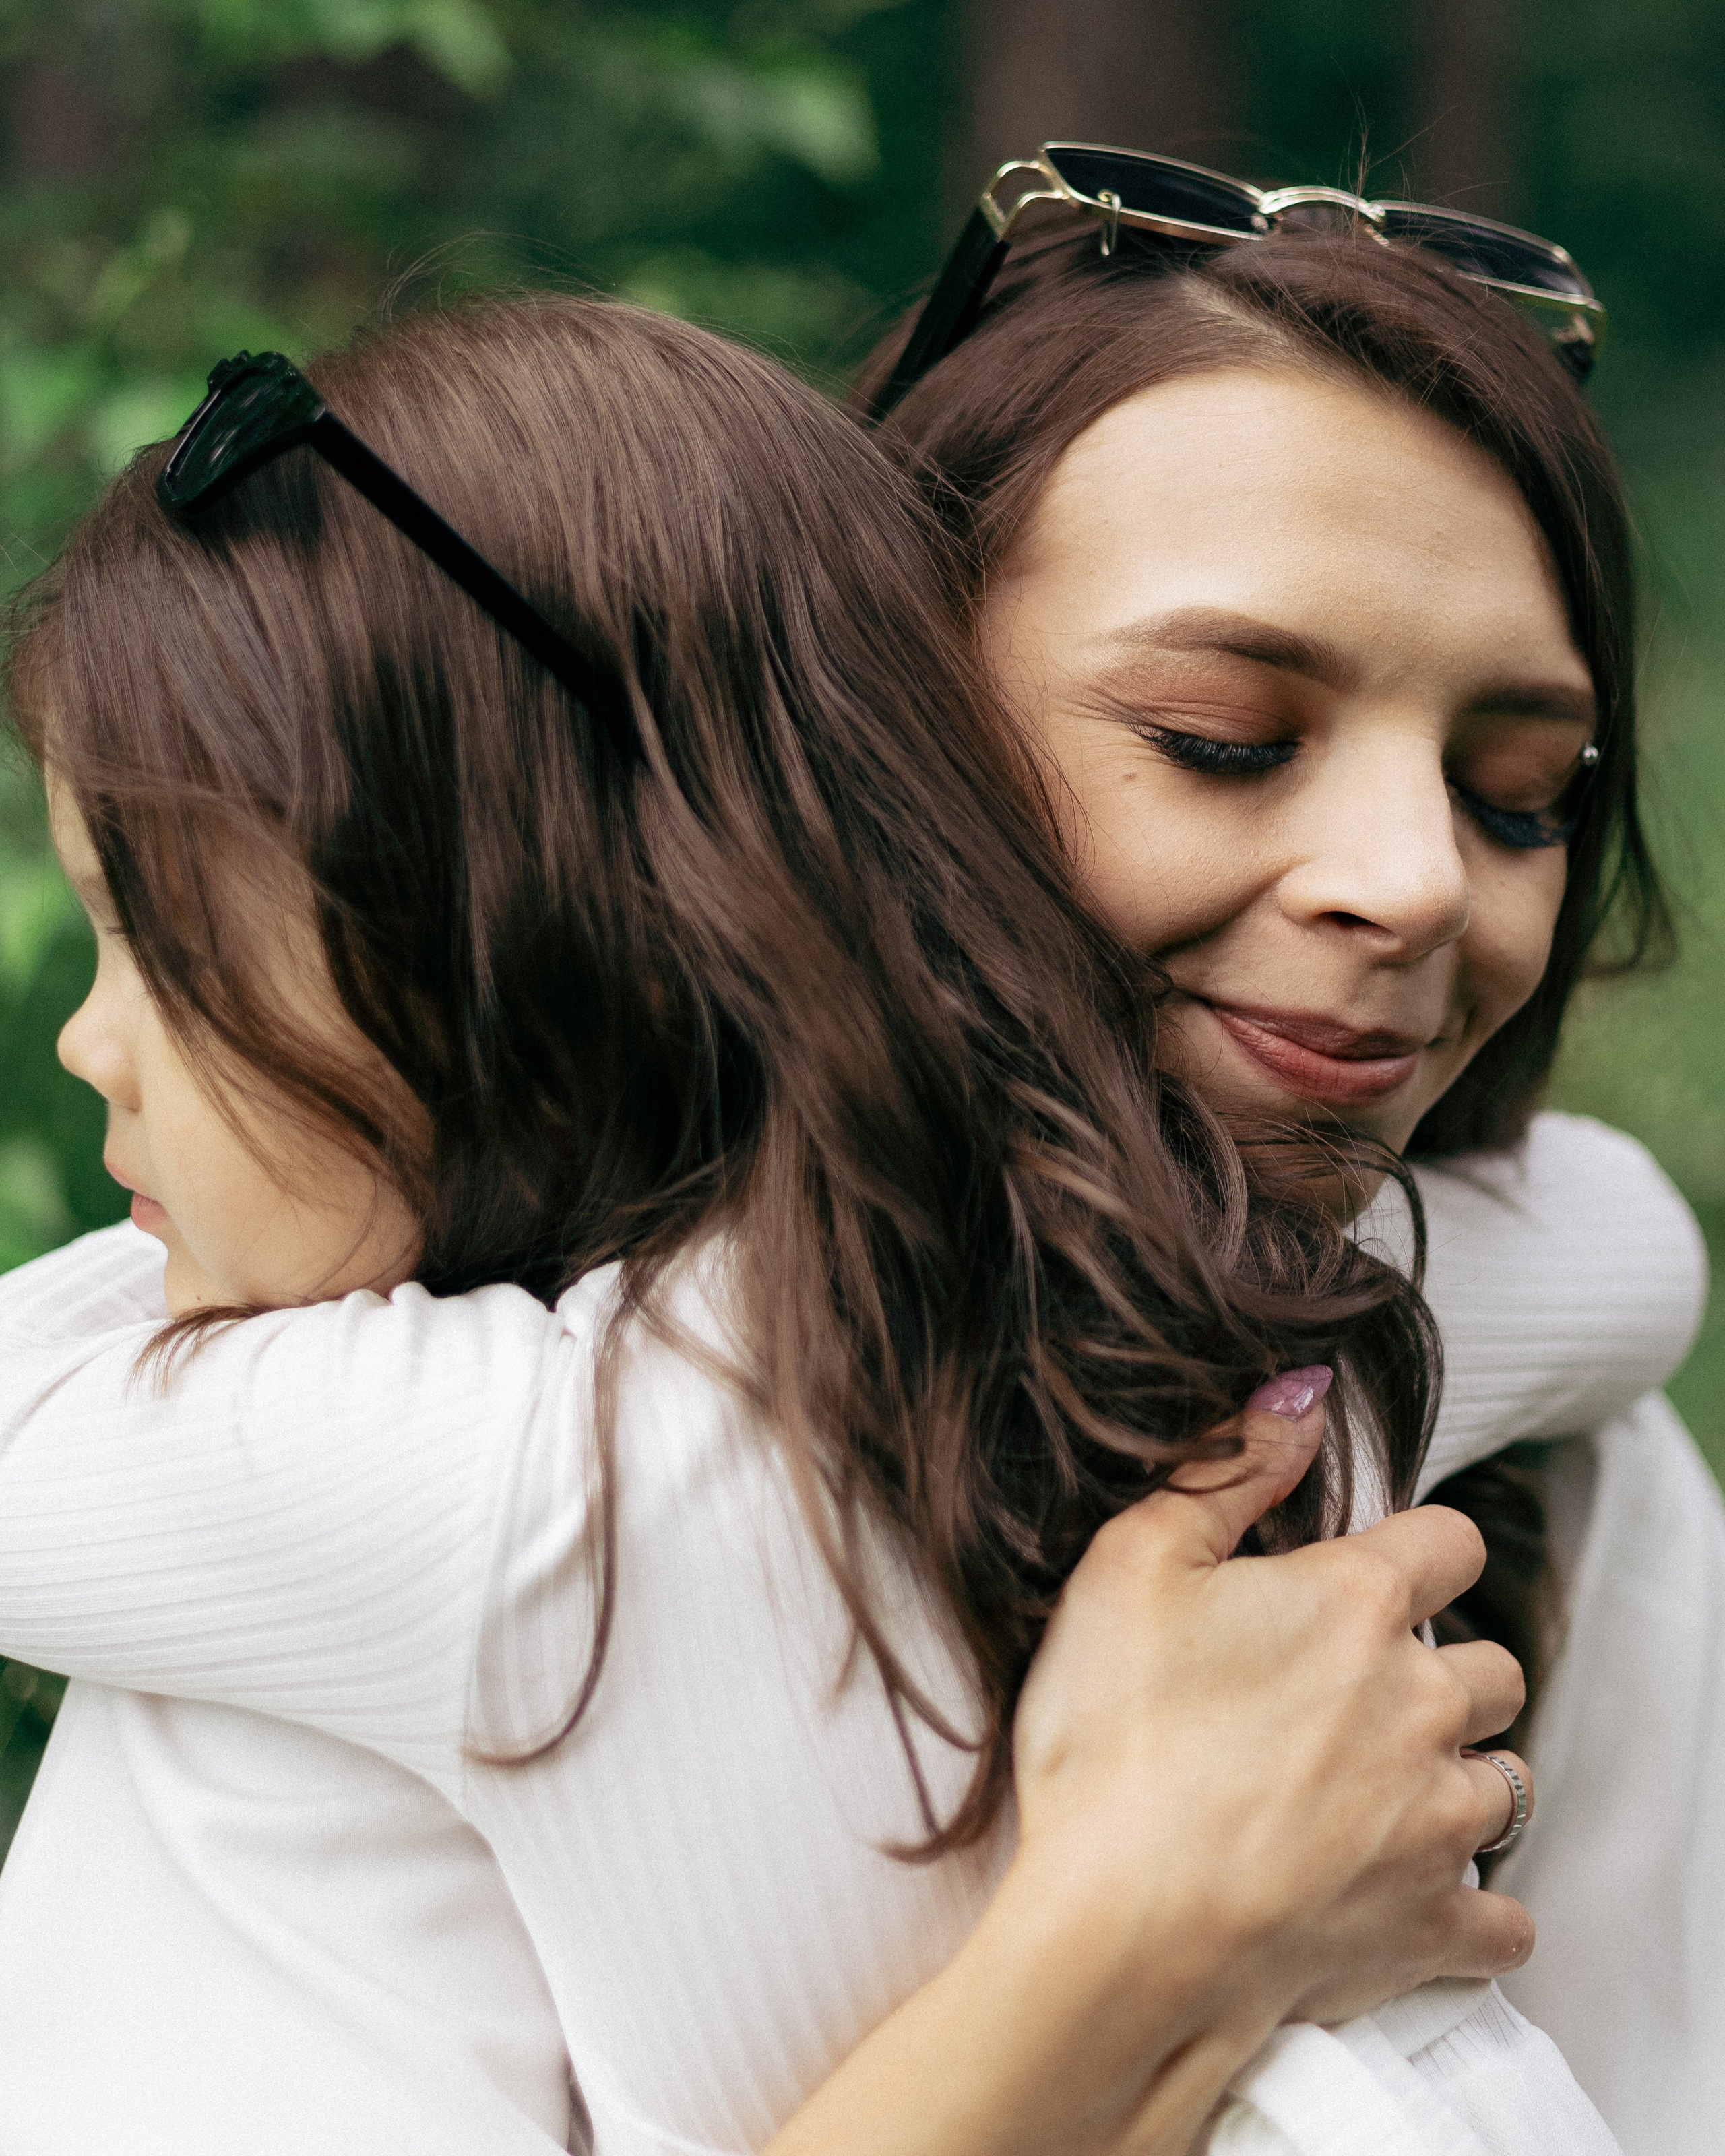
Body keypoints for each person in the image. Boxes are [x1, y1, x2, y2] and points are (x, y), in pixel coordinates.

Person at [0, 294, 1593, 2155]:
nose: (86, 1036)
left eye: (161, 943)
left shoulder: (509, 1473)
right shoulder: (1241, 1321)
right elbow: (1609, 1248)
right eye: (1227, 734)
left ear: (509, 922)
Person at [853, 143, 1724, 2153]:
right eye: (1228, 737)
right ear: (866, 716)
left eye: (1518, 796)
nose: (1421, 887)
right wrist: (1146, 1933)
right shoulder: (469, 1459)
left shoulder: (1569, 1484)